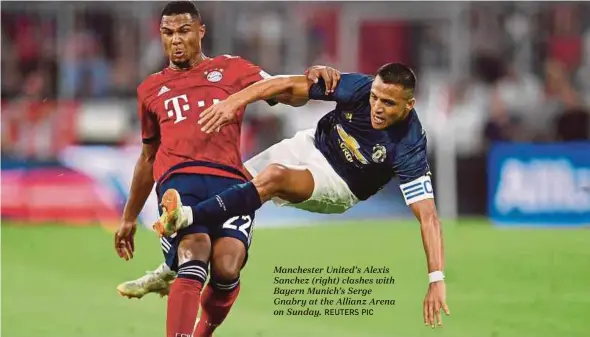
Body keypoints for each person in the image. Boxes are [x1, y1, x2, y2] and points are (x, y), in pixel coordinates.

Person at [154, 62, 451, 328]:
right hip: (310, 143)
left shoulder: (410, 146)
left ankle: (188, 217)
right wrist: (233, 101)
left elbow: (428, 217)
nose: (377, 107)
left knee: (273, 179)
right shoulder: (359, 88)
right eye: (375, 97)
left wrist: (436, 279)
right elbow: (286, 84)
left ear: (409, 105)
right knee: (233, 185)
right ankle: (175, 264)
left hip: (339, 183)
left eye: (388, 103)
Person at [112, 2, 339, 337]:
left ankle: (203, 330)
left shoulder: (231, 69)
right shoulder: (150, 89)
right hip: (180, 182)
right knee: (195, 251)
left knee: (227, 265)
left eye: (184, 31)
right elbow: (148, 156)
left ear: (200, 32)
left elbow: (287, 92)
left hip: (230, 184)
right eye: (168, 33)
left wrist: (316, 78)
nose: (176, 40)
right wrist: (129, 216)